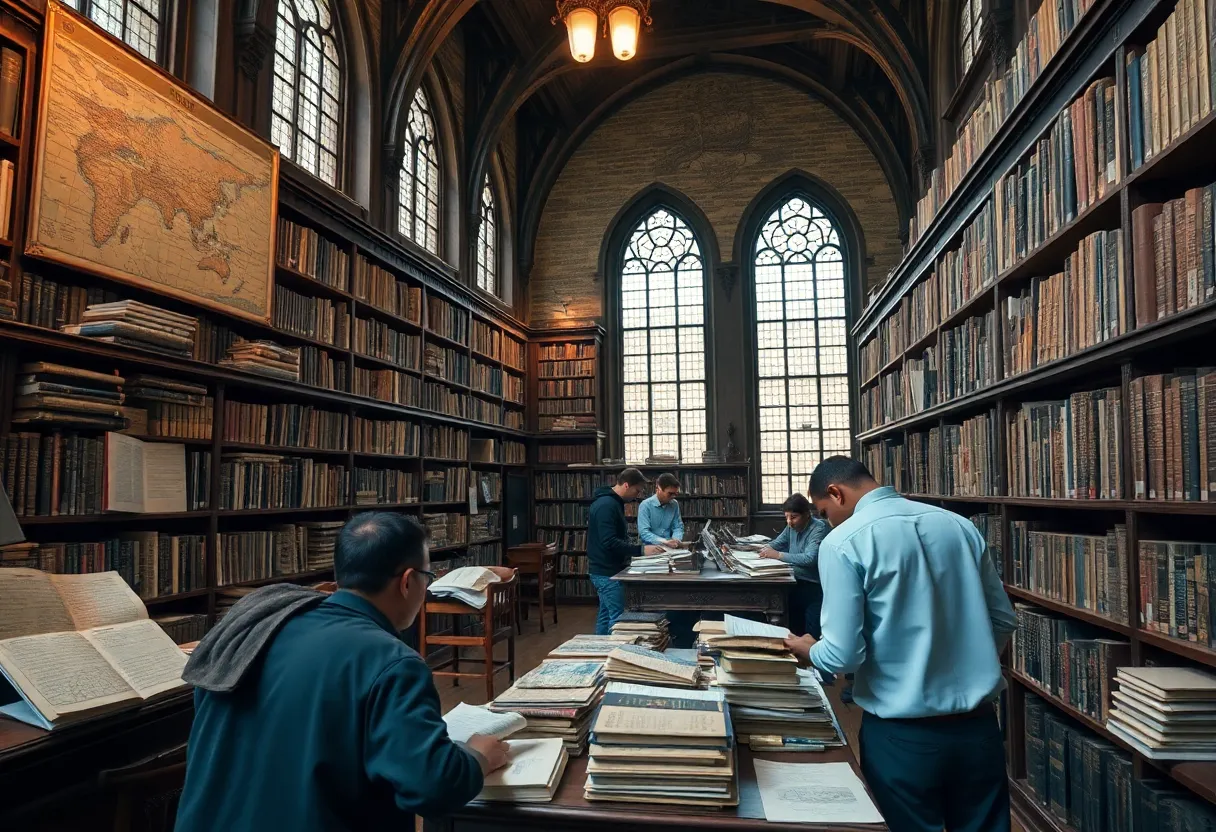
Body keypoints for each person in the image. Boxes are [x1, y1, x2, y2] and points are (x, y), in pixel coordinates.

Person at [176, 512, 509, 832]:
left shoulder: (252, 630)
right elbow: (434, 787)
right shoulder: (392, 663)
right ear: (408, 581)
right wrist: (477, 755)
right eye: (427, 577)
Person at [784, 457, 1016, 832]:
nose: (827, 521)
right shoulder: (959, 526)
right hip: (978, 730)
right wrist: (968, 659)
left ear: (835, 493)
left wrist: (809, 649)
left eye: (825, 512)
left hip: (902, 734)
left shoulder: (843, 542)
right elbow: (1004, 619)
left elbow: (843, 654)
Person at [588, 467, 663, 635]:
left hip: (606, 569)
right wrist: (641, 550)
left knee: (606, 615)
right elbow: (609, 542)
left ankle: (600, 651)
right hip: (606, 571)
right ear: (627, 485)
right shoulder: (607, 505)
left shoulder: (612, 502)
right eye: (637, 490)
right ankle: (615, 656)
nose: (638, 495)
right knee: (618, 619)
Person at [758, 493, 828, 637]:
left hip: (813, 586)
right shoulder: (791, 527)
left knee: (810, 630)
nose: (789, 522)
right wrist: (763, 550)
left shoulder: (818, 528)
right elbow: (776, 544)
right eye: (787, 517)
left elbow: (810, 558)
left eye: (794, 517)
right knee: (791, 625)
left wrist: (778, 555)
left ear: (807, 514)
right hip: (793, 582)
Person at [637, 473, 686, 547]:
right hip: (650, 547)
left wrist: (676, 540)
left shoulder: (674, 504)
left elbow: (678, 527)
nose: (673, 497)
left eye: (676, 494)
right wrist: (664, 541)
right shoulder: (645, 505)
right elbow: (644, 532)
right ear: (659, 489)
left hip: (669, 546)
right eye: (670, 493)